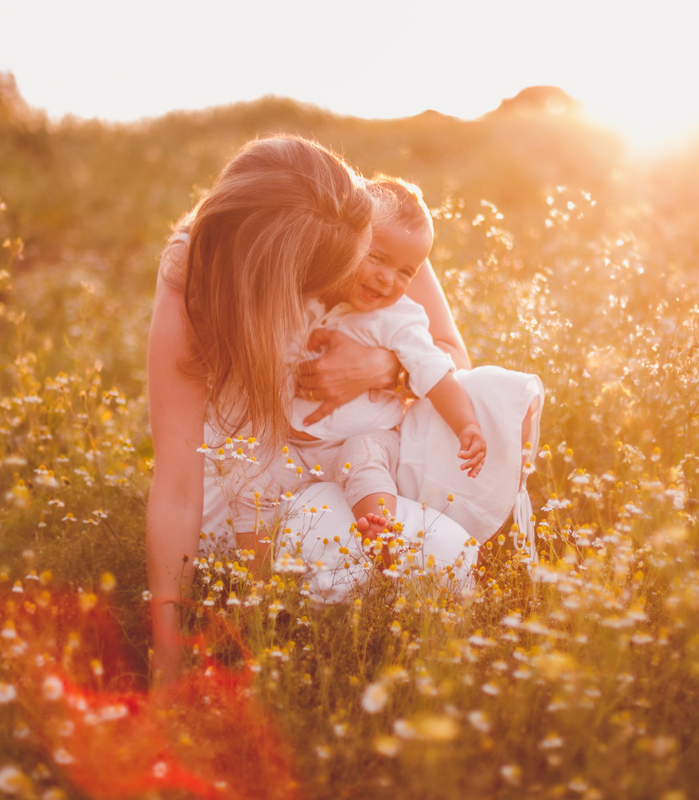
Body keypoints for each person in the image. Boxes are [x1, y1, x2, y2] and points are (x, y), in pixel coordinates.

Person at [147, 137, 480, 684]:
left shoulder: (369, 225)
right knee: (339, 569)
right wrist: (167, 659)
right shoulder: (193, 278)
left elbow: (453, 357)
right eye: (351, 267)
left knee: (435, 561)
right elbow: (178, 483)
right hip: (250, 473)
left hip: (345, 454)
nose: (376, 279)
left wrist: (377, 368)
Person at [289, 178, 488, 546]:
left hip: (363, 436)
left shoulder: (400, 319)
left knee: (363, 457)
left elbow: (440, 375)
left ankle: (380, 529)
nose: (387, 279)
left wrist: (468, 426)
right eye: (377, 258)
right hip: (296, 445)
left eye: (405, 272)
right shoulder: (316, 300)